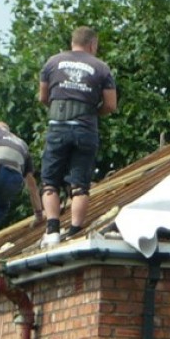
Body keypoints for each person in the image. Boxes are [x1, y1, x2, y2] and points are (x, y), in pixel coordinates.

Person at [38, 26, 117, 247]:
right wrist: (91, 112)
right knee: (80, 184)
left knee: (50, 182)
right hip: (85, 130)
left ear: (73, 42)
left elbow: (43, 97)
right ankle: (74, 229)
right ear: (92, 44)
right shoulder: (101, 67)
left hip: (58, 127)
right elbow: (111, 104)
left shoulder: (52, 63)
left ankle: (52, 229)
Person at [0, 121, 43, 262]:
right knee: (2, 205)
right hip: (15, 179)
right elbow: (31, 184)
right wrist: (39, 214)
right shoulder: (23, 145)